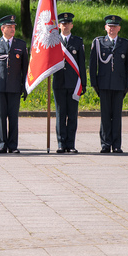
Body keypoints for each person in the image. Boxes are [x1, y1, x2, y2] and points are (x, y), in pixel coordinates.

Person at [0, 14, 29, 154]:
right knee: (1, 117)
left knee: (14, 118)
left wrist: (25, 87)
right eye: (9, 27)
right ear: (2, 29)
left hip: (15, 87)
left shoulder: (21, 45)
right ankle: (3, 144)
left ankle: (13, 145)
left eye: (14, 27)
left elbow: (25, 68)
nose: (12, 29)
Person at [89, 14, 128, 153]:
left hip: (119, 85)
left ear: (119, 28)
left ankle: (117, 145)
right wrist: (94, 84)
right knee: (105, 116)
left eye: (115, 26)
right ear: (105, 27)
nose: (112, 29)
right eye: (110, 26)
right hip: (104, 84)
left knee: (117, 116)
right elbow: (93, 65)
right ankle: (105, 144)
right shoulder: (99, 42)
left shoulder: (125, 44)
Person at [53, 12, 86, 154]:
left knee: (72, 115)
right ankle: (61, 143)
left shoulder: (78, 42)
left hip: (74, 84)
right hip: (59, 83)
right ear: (59, 25)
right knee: (60, 114)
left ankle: (71, 144)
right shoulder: (53, 41)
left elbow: (81, 64)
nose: (65, 25)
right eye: (63, 23)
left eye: (68, 23)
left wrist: (83, 84)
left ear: (72, 25)